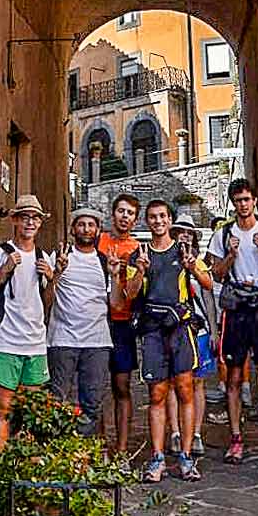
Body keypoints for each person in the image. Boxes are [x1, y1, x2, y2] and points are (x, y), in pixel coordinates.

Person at [208, 177, 258, 467]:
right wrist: (231, 255)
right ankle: (236, 439)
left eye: (247, 199)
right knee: (233, 376)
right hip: (237, 307)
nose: (243, 204)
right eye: (238, 200)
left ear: (255, 201)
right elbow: (216, 274)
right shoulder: (223, 234)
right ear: (233, 204)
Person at [132, 198, 213, 484]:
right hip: (153, 329)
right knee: (157, 393)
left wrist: (193, 268)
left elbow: (208, 283)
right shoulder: (140, 254)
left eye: (162, 216)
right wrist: (140, 270)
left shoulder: (183, 251)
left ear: (170, 220)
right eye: (153, 217)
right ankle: (157, 457)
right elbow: (130, 293)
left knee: (185, 390)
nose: (158, 221)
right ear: (147, 221)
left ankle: (186, 457)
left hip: (180, 328)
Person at [0, 193, 54, 459]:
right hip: (4, 341)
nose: (30, 222)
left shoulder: (43, 257)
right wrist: (4, 271)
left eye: (35, 218)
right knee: (1, 409)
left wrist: (52, 278)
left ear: (40, 223)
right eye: (25, 217)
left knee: (32, 410)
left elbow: (47, 304)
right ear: (15, 221)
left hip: (35, 343)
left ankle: (27, 467)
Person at [46, 207, 124, 435]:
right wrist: (57, 273)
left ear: (98, 230)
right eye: (81, 224)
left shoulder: (104, 261)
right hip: (62, 340)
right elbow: (46, 300)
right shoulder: (60, 257)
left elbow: (117, 304)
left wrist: (115, 275)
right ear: (73, 229)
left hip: (97, 342)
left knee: (92, 404)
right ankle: (57, 449)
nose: (86, 229)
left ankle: (84, 451)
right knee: (56, 401)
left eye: (91, 225)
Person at [164, 213, 215, 460]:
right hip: (175, 328)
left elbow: (208, 291)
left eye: (188, 232)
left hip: (199, 328)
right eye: (180, 232)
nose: (184, 236)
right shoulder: (167, 260)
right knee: (173, 382)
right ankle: (175, 431)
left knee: (197, 383)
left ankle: (195, 432)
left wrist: (214, 330)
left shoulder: (199, 263)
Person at [97, 192, 143, 455]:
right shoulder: (98, 241)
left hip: (122, 322)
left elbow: (135, 290)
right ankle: (100, 445)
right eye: (121, 211)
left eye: (130, 213)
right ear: (113, 213)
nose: (125, 217)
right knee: (96, 385)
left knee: (121, 385)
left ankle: (122, 447)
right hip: (95, 321)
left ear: (135, 220)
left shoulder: (136, 250)